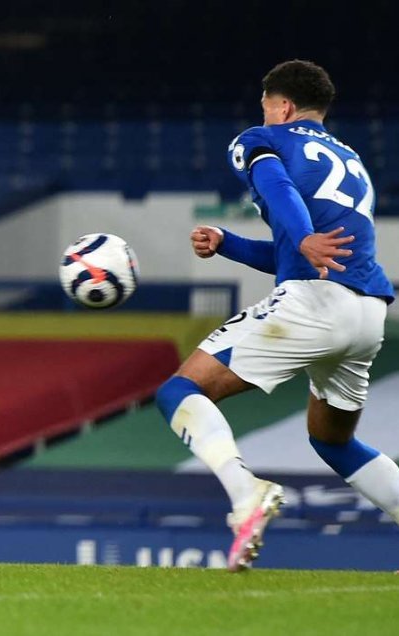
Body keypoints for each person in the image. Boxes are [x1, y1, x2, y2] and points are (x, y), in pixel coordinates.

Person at [155, 60, 397, 572]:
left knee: (178, 390)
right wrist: (228, 243)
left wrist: (303, 232)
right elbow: (298, 250)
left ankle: (246, 493)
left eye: (265, 104)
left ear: (281, 105)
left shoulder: (262, 139)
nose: (261, 112)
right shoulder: (349, 158)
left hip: (314, 305)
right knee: (333, 440)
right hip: (368, 313)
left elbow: (281, 196)